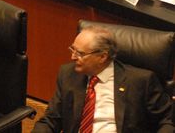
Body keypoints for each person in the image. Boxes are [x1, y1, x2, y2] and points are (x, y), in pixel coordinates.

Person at [32, 26, 173, 132]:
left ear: (102, 57)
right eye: (72, 49)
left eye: (80, 53)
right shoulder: (68, 74)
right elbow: (51, 119)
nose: (73, 57)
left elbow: (168, 120)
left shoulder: (140, 81)